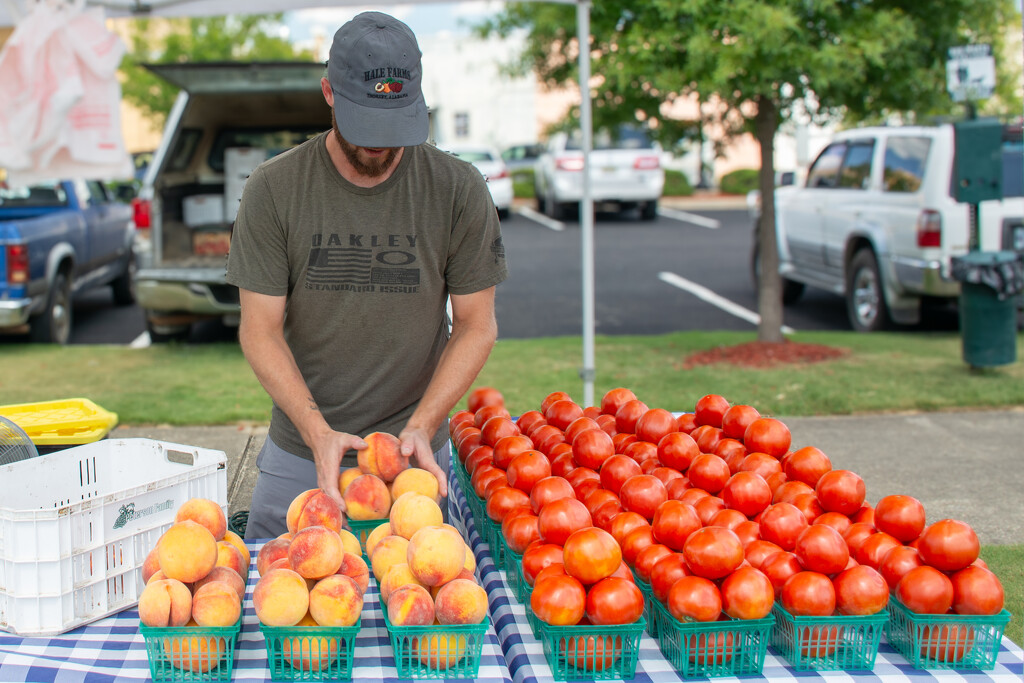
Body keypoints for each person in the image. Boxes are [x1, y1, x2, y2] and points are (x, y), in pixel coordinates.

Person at [226, 11, 508, 540]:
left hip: (413, 451)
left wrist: (423, 425)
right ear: (329, 92)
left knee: (422, 598)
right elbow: (258, 328)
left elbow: (476, 324)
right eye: (366, 123)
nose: (380, 143)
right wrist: (317, 433)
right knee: (279, 597)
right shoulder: (274, 188)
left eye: (394, 122)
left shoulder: (459, 189)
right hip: (300, 451)